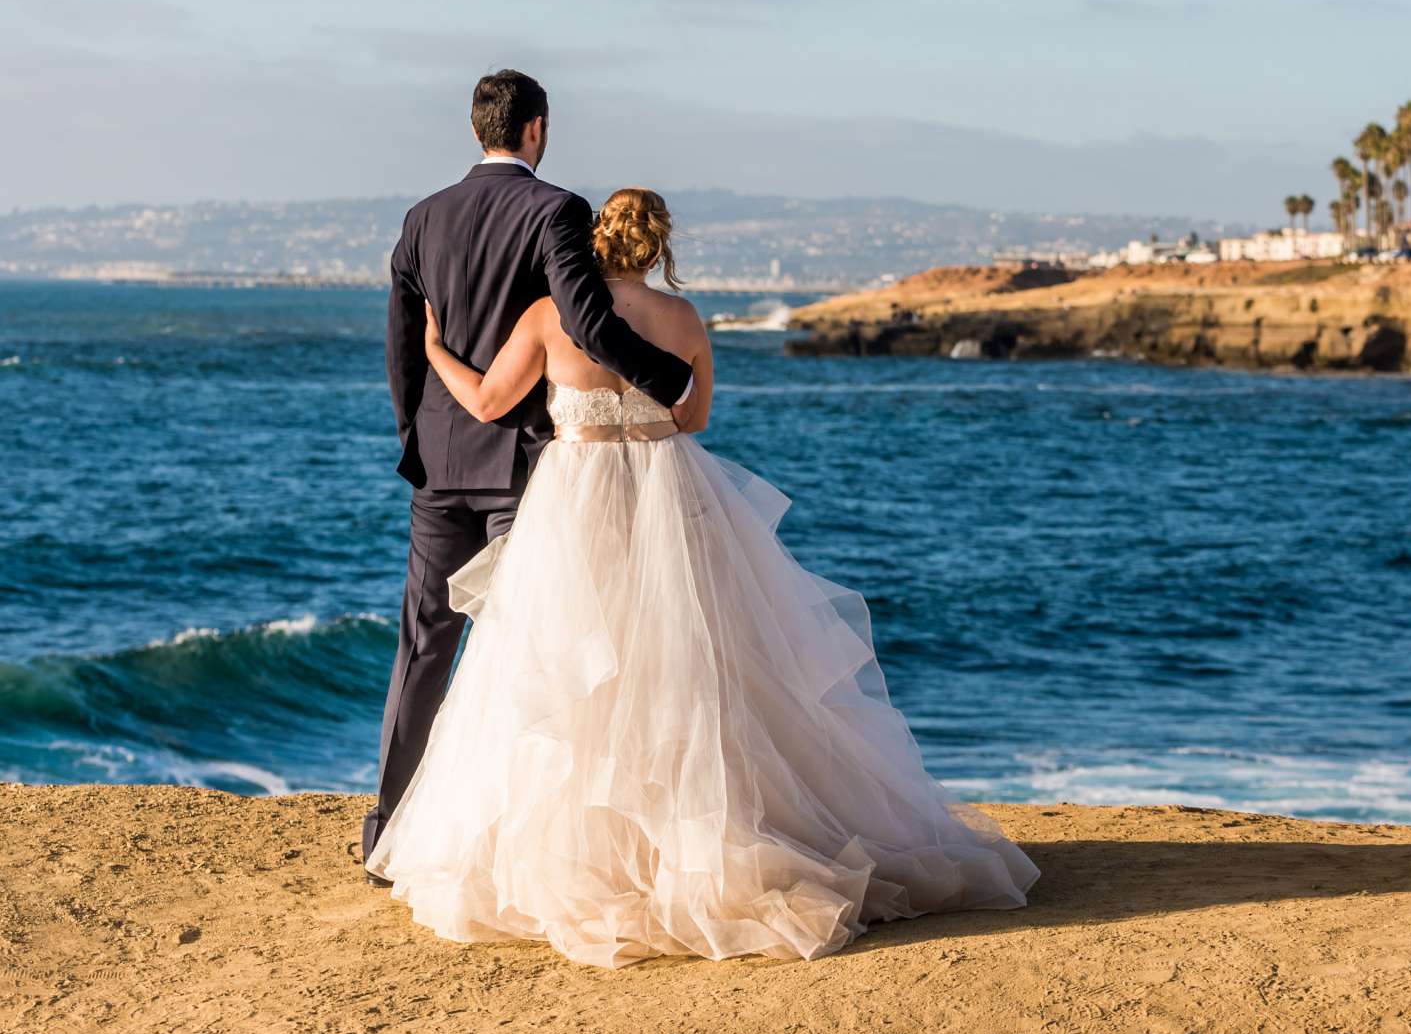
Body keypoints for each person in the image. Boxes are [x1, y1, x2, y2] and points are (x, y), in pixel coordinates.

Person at [367, 186, 1039, 964]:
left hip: (575, 503)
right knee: (691, 668)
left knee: (569, 673)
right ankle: (697, 836)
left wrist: (435, 352)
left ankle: (597, 850)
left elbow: (488, 403)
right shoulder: (683, 322)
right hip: (670, 494)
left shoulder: (549, 316)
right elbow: (695, 418)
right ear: (657, 248)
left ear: (590, 247)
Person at [362, 73, 694, 866]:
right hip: (526, 464)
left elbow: (404, 347)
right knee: (533, 648)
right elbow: (585, 320)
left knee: (423, 647)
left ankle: (387, 834)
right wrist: (667, 381)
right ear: (536, 130)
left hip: (441, 461)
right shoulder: (556, 211)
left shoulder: (421, 218)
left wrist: (415, 438)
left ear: (478, 128)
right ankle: (517, 839)